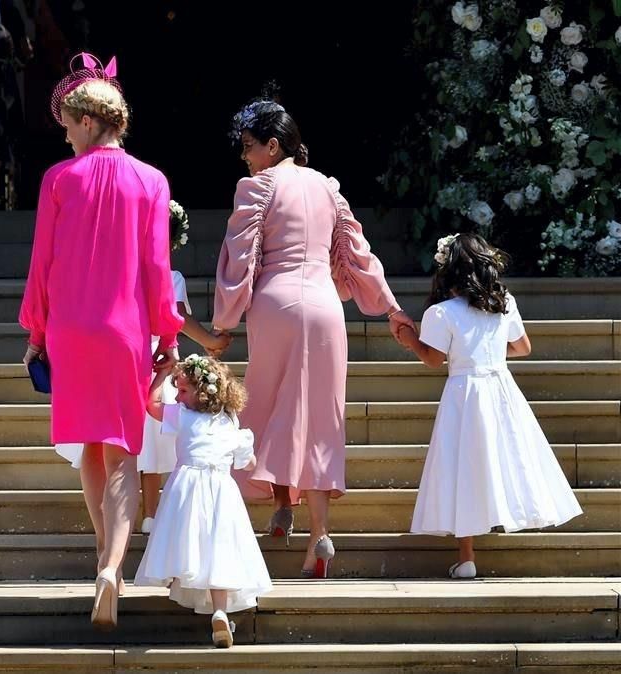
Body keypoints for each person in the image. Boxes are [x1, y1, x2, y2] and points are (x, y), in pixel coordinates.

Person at [212, 100, 414, 578]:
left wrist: (223, 322)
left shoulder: (258, 186)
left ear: (273, 145)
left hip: (276, 305)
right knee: (321, 418)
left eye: (249, 147)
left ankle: (282, 507)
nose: (245, 157)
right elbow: (358, 255)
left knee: (266, 406)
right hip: (325, 308)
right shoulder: (328, 188)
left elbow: (239, 260)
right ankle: (318, 534)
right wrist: (390, 307)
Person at [19, 54, 183, 631]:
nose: (64, 133)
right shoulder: (153, 180)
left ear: (89, 122)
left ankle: (101, 555)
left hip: (70, 328)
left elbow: (43, 264)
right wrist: (167, 331)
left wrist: (36, 333)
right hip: (124, 331)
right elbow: (157, 268)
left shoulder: (59, 180)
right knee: (122, 454)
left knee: (90, 447)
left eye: (67, 122)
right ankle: (113, 564)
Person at [395, 233, 582, 578]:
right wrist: (490, 352)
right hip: (500, 389)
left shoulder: (440, 313)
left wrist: (409, 339)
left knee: (463, 465)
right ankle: (505, 515)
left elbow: (434, 359)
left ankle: (467, 556)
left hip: (464, 392)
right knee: (507, 458)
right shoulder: (504, 302)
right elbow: (523, 346)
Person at [54, 209, 228, 533]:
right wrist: (210, 341)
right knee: (149, 442)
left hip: (120, 355)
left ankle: (122, 520)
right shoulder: (169, 277)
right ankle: (150, 513)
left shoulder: (120, 272)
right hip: (150, 358)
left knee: (127, 443)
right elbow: (176, 317)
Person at [135, 355, 271, 648]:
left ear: (203, 392)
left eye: (183, 391)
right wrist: (249, 463)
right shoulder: (230, 422)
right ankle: (220, 610)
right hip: (222, 488)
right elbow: (248, 461)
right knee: (218, 548)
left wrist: (161, 375)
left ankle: (182, 579)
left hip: (186, 486)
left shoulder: (181, 416)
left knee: (188, 539)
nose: (179, 397)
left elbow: (151, 404)